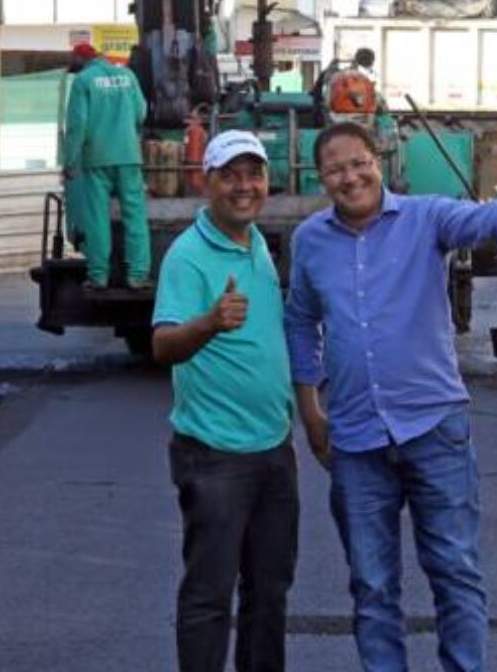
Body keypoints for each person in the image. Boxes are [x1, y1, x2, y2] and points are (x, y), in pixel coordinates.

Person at [285, 123, 497, 671]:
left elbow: (485, 223)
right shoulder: (310, 240)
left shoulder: (426, 217)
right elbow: (301, 322)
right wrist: (310, 409)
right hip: (355, 439)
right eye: (335, 169)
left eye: (358, 163)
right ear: (322, 177)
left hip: (434, 429)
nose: (349, 176)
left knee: (455, 571)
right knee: (372, 585)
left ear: (377, 160)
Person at [151, 132, 296, 672]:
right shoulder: (187, 257)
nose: (245, 186)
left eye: (253, 174)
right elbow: (162, 345)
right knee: (210, 596)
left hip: (274, 450)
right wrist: (210, 323)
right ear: (206, 182)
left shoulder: (255, 242)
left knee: (269, 591)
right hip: (214, 453)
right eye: (230, 175)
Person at [63, 42, 150, 290]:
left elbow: (77, 124)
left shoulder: (83, 81)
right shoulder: (127, 75)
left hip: (97, 159)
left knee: (97, 218)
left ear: (81, 60)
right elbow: (141, 113)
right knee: (135, 216)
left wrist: (69, 161)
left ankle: (99, 276)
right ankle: (138, 275)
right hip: (129, 156)